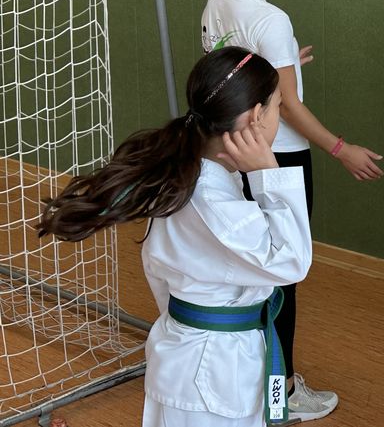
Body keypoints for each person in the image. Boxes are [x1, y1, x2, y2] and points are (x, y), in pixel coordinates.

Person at [38, 47, 311, 426]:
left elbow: (163, 275)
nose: (279, 116)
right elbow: (292, 262)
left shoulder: (190, 178)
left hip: (194, 358)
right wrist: (269, 172)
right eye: (278, 106)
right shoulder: (212, 200)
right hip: (209, 374)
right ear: (255, 117)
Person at [203, 0, 383, 420]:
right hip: (276, 157)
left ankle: (251, 378)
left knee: (247, 266)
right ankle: (280, 394)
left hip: (232, 152)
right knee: (283, 273)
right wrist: (341, 149)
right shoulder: (271, 19)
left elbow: (228, 72)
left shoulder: (216, 2)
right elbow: (291, 108)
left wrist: (282, 66)